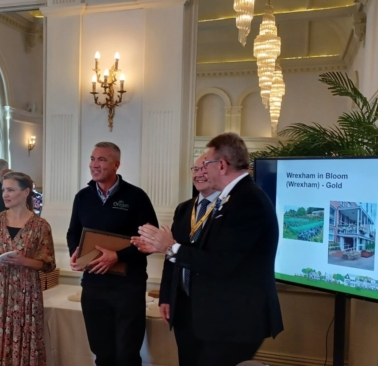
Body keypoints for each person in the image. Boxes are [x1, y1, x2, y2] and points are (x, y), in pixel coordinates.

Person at [134, 132, 284, 366]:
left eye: (207, 164)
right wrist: (164, 247)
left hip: (234, 320)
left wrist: (170, 247)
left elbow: (220, 263)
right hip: (215, 316)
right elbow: (207, 250)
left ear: (221, 165)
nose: (202, 171)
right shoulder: (235, 197)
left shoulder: (247, 201)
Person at [67, 142, 158, 366]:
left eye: (102, 159)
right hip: (93, 286)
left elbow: (150, 240)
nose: (94, 165)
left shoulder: (136, 197)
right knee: (102, 353)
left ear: (117, 164)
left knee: (127, 355)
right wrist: (75, 253)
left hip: (128, 287)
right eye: (92, 159)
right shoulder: (82, 197)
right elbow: (73, 232)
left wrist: (118, 256)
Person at [143, 154, 220, 366]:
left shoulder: (227, 209)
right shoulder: (184, 209)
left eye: (204, 168)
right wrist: (166, 297)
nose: (199, 174)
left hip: (213, 306)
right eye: (195, 169)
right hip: (183, 304)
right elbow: (171, 255)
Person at [0, 171, 56, 366]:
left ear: (26, 192)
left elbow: (47, 263)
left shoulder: (40, 225)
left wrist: (24, 261)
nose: (5, 195)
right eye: (4, 190)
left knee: (26, 336)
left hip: (27, 291)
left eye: (10, 190)